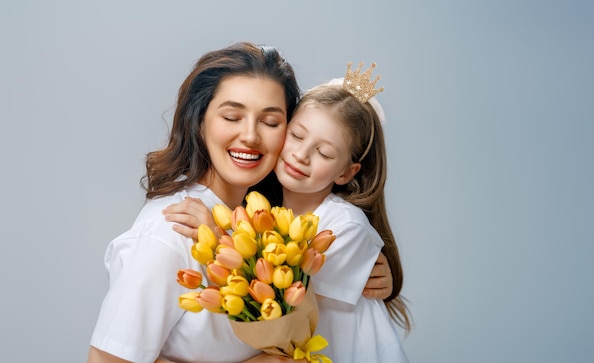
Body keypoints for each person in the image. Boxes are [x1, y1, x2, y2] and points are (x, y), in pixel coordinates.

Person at [88, 42, 392, 363]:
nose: (250, 136)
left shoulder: (261, 224)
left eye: (271, 122)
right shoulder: (172, 233)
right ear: (199, 120)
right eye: (232, 116)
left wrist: (380, 278)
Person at [166, 63, 411, 362]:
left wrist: (215, 236)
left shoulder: (344, 227)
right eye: (296, 136)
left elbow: (278, 304)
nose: (301, 154)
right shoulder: (260, 205)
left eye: (323, 153)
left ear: (346, 172)